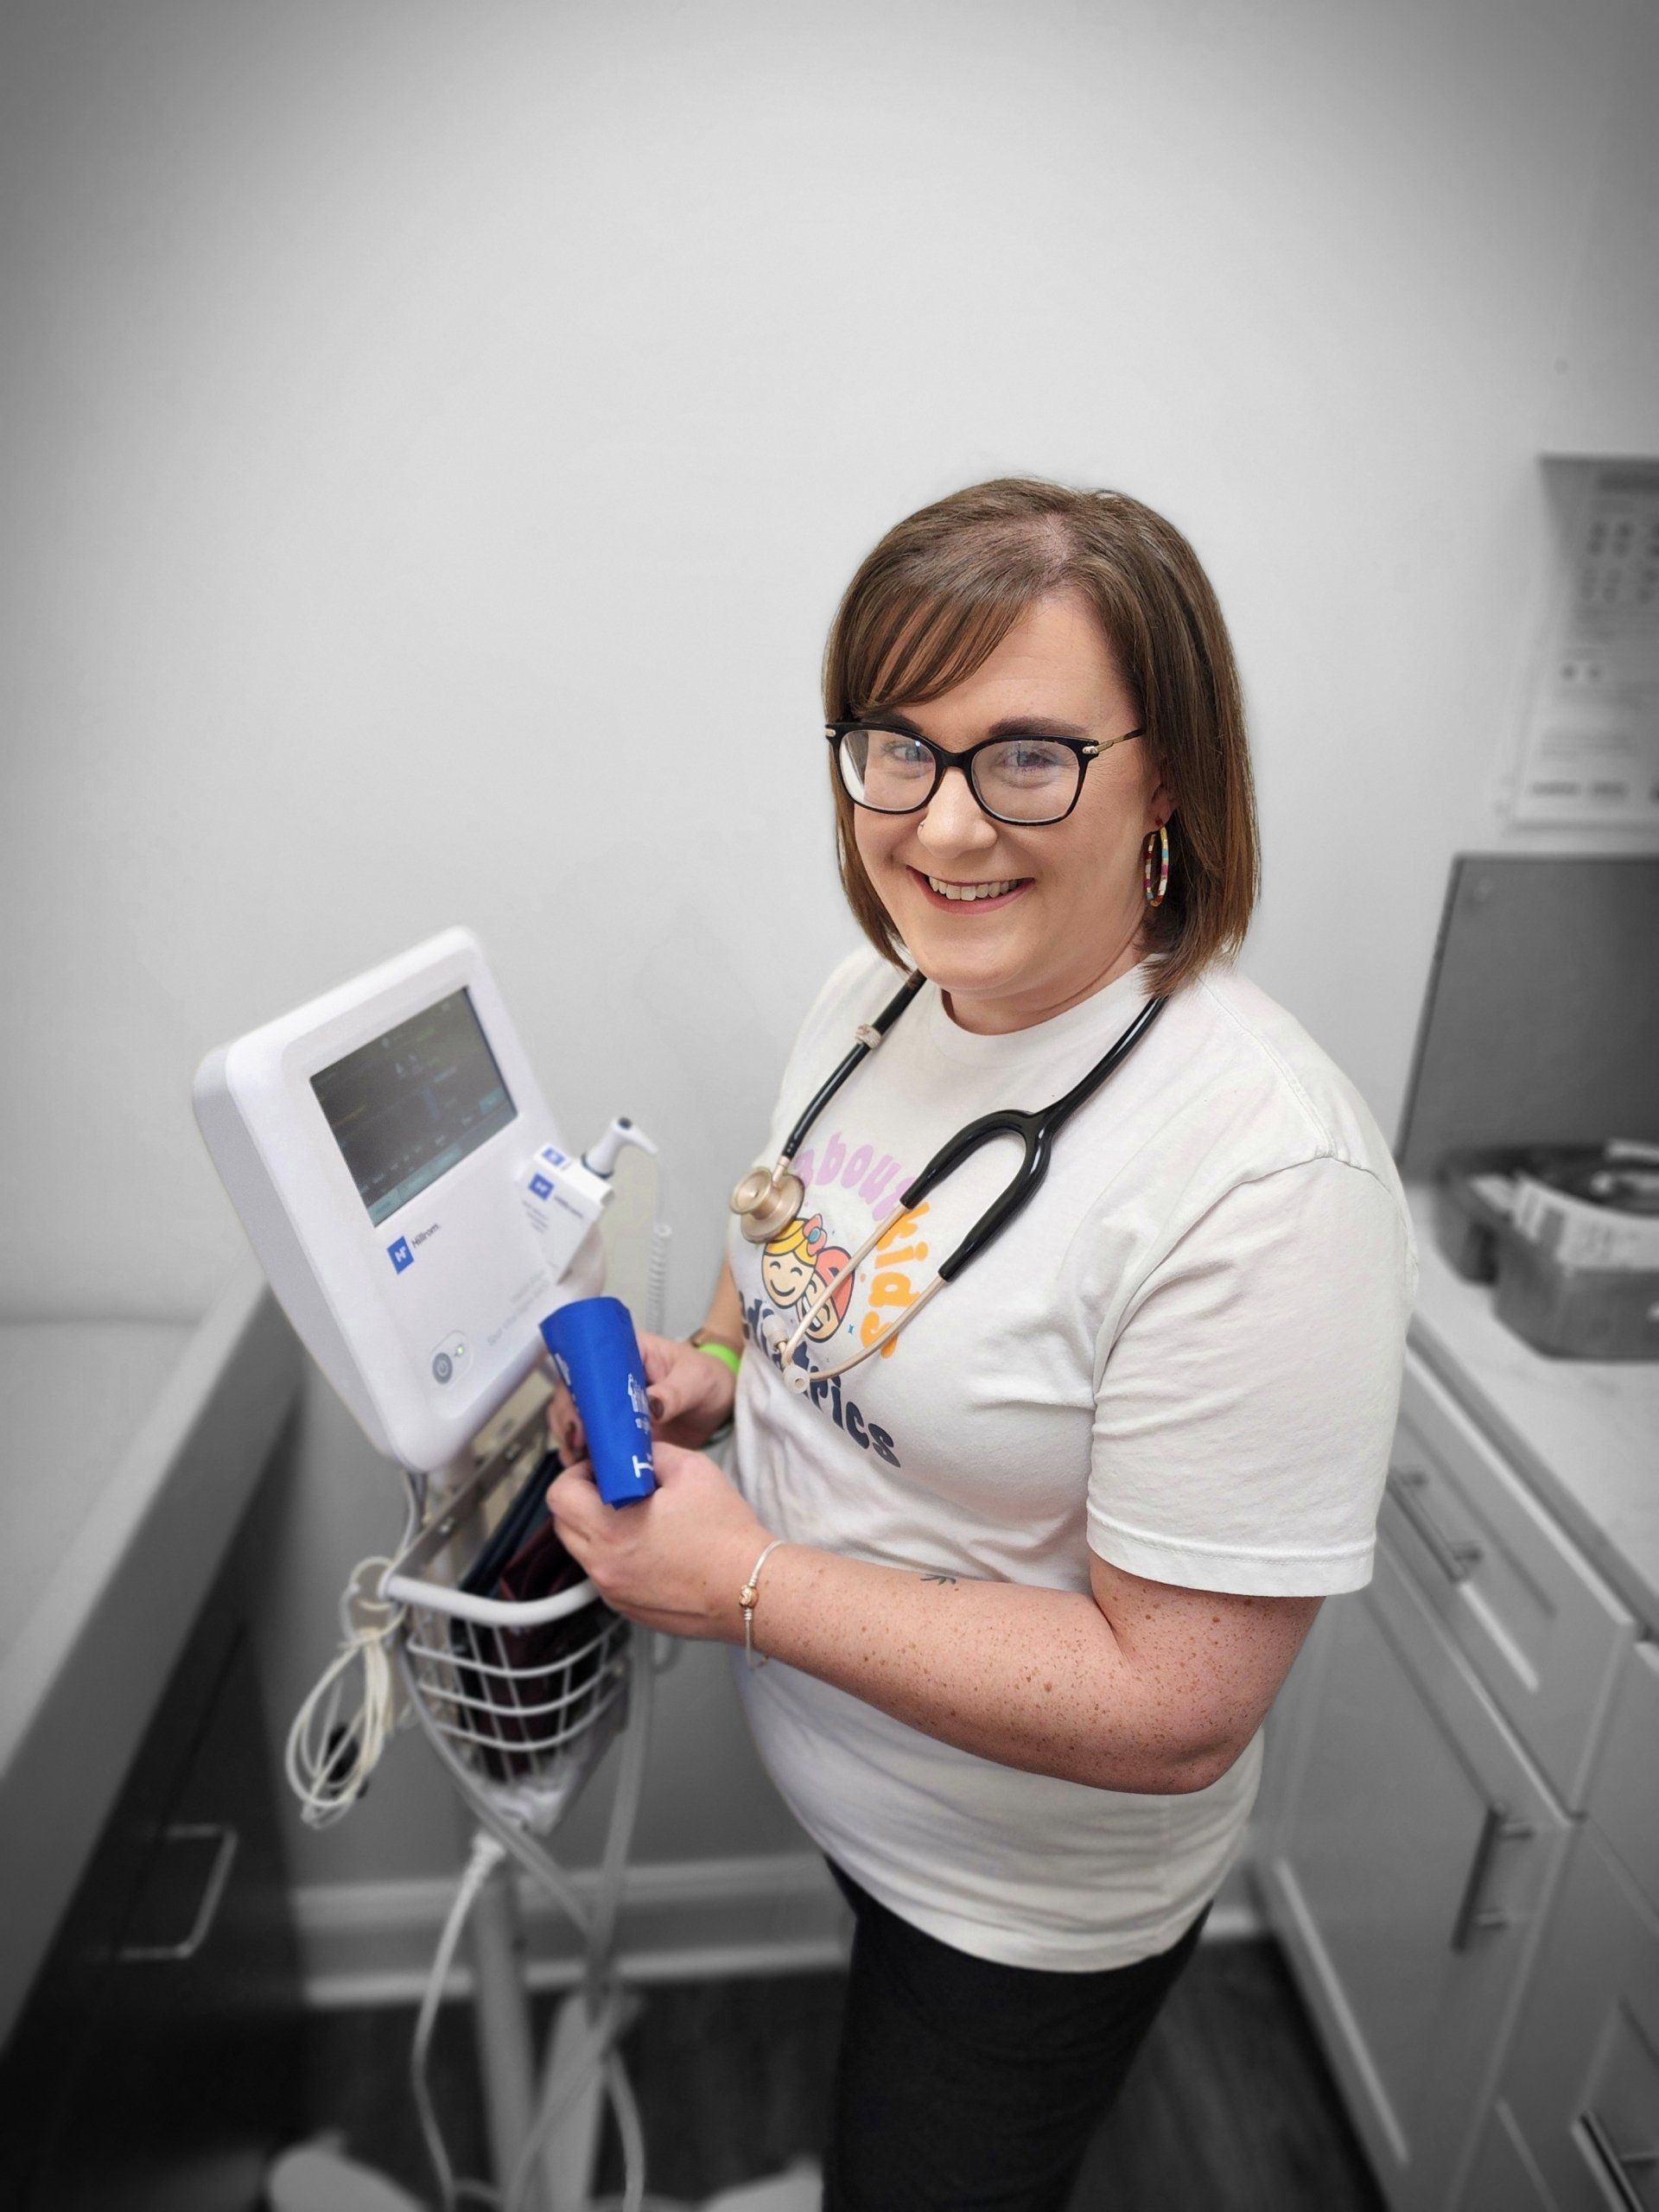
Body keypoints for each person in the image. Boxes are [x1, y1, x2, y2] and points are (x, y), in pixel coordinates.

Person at [546, 478, 1416, 2212]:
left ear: (1169, 776)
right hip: (857, 1797)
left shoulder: (1263, 1177)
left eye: (1029, 757)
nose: (942, 829)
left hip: (1019, 1914)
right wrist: (721, 1362)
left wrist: (741, 1585)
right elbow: (797, 1237)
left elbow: (1175, 1706)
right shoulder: (874, 995)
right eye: (897, 748)